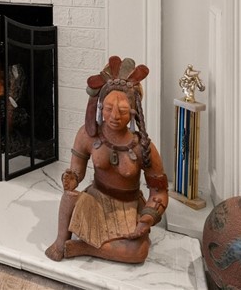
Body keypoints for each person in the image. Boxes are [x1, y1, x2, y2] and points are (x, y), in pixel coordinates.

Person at [45, 56, 168, 264]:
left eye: (122, 111)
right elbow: (77, 172)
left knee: (139, 252)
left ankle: (84, 247)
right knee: (69, 197)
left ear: (134, 112)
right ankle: (60, 241)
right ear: (101, 107)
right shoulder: (87, 135)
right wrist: (71, 179)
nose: (114, 116)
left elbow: (159, 192)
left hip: (127, 208)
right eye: (109, 109)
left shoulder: (142, 147)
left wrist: (146, 218)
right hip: (94, 200)